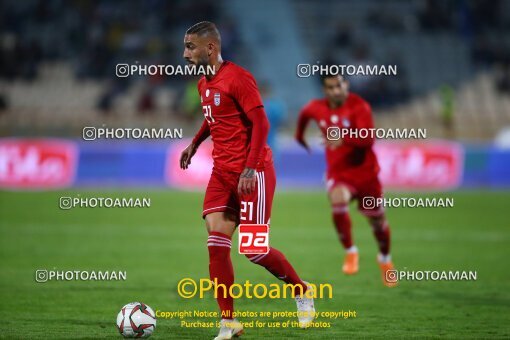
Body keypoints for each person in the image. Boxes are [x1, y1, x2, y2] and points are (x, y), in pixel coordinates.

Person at [180, 21, 315, 340]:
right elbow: (214, 119)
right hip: (221, 173)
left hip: (252, 173)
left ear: (210, 48)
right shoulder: (204, 83)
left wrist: (251, 168)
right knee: (216, 243)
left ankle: (302, 290)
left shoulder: (239, 78)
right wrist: (195, 143)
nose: (185, 54)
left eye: (190, 47)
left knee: (253, 251)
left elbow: (261, 124)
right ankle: (229, 322)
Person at [295, 74, 397, 288]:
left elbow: (368, 139)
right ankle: (351, 251)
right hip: (339, 173)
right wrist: (299, 136)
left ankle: (385, 259)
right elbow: (304, 115)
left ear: (346, 85)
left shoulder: (360, 107)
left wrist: (343, 138)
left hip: (366, 174)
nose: (335, 91)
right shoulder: (316, 107)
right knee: (337, 200)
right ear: (325, 90)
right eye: (330, 88)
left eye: (339, 86)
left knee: (378, 222)